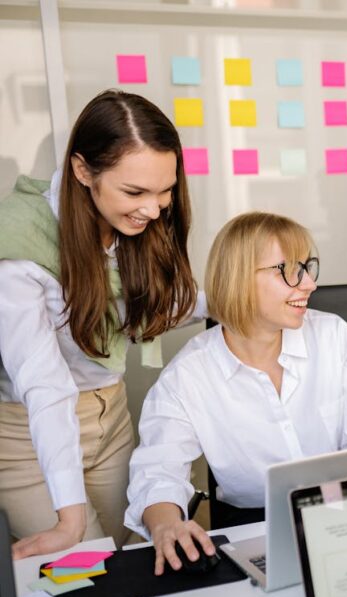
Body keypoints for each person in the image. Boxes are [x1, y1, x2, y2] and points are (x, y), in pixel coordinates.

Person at [125, 211, 347, 574]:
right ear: (238, 280)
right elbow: (158, 471)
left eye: (307, 266)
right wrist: (165, 523)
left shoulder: (337, 339)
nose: (309, 284)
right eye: (287, 270)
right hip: (255, 530)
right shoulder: (190, 375)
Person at [0, 90, 199, 559]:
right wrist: (67, 520)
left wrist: (237, 302)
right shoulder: (19, 245)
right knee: (90, 568)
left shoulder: (128, 227)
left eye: (164, 191)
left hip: (112, 420)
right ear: (82, 171)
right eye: (135, 192)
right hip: (31, 434)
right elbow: (45, 385)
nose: (153, 210)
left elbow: (152, 306)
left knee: (127, 557)